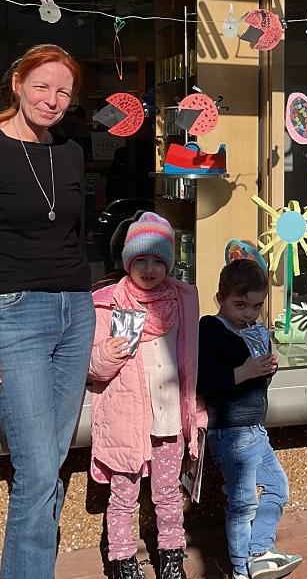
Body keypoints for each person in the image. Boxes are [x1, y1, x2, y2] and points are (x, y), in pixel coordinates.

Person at [0, 44, 95, 579]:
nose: (52, 101)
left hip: (75, 313)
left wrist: (91, 306)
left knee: (52, 462)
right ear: (16, 83)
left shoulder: (72, 150)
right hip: (13, 317)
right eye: (42, 87)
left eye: (63, 92)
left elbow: (79, 238)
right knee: (36, 469)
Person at [88, 212, 204, 579]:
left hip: (169, 418)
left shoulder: (182, 301)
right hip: (126, 422)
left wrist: (195, 411)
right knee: (123, 497)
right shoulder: (108, 303)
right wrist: (109, 353)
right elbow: (91, 370)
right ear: (127, 261)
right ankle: (122, 561)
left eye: (158, 260)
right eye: (141, 259)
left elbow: (190, 362)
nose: (150, 268)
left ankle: (172, 557)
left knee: (169, 495)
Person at [197, 258, 303, 579]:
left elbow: (259, 380)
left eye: (256, 307)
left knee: (278, 488)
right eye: (240, 305)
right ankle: (242, 566)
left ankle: (259, 551)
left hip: (256, 428)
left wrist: (267, 369)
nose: (248, 313)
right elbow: (204, 381)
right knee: (243, 502)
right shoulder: (210, 329)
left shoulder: (254, 330)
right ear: (220, 298)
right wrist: (244, 372)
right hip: (229, 431)